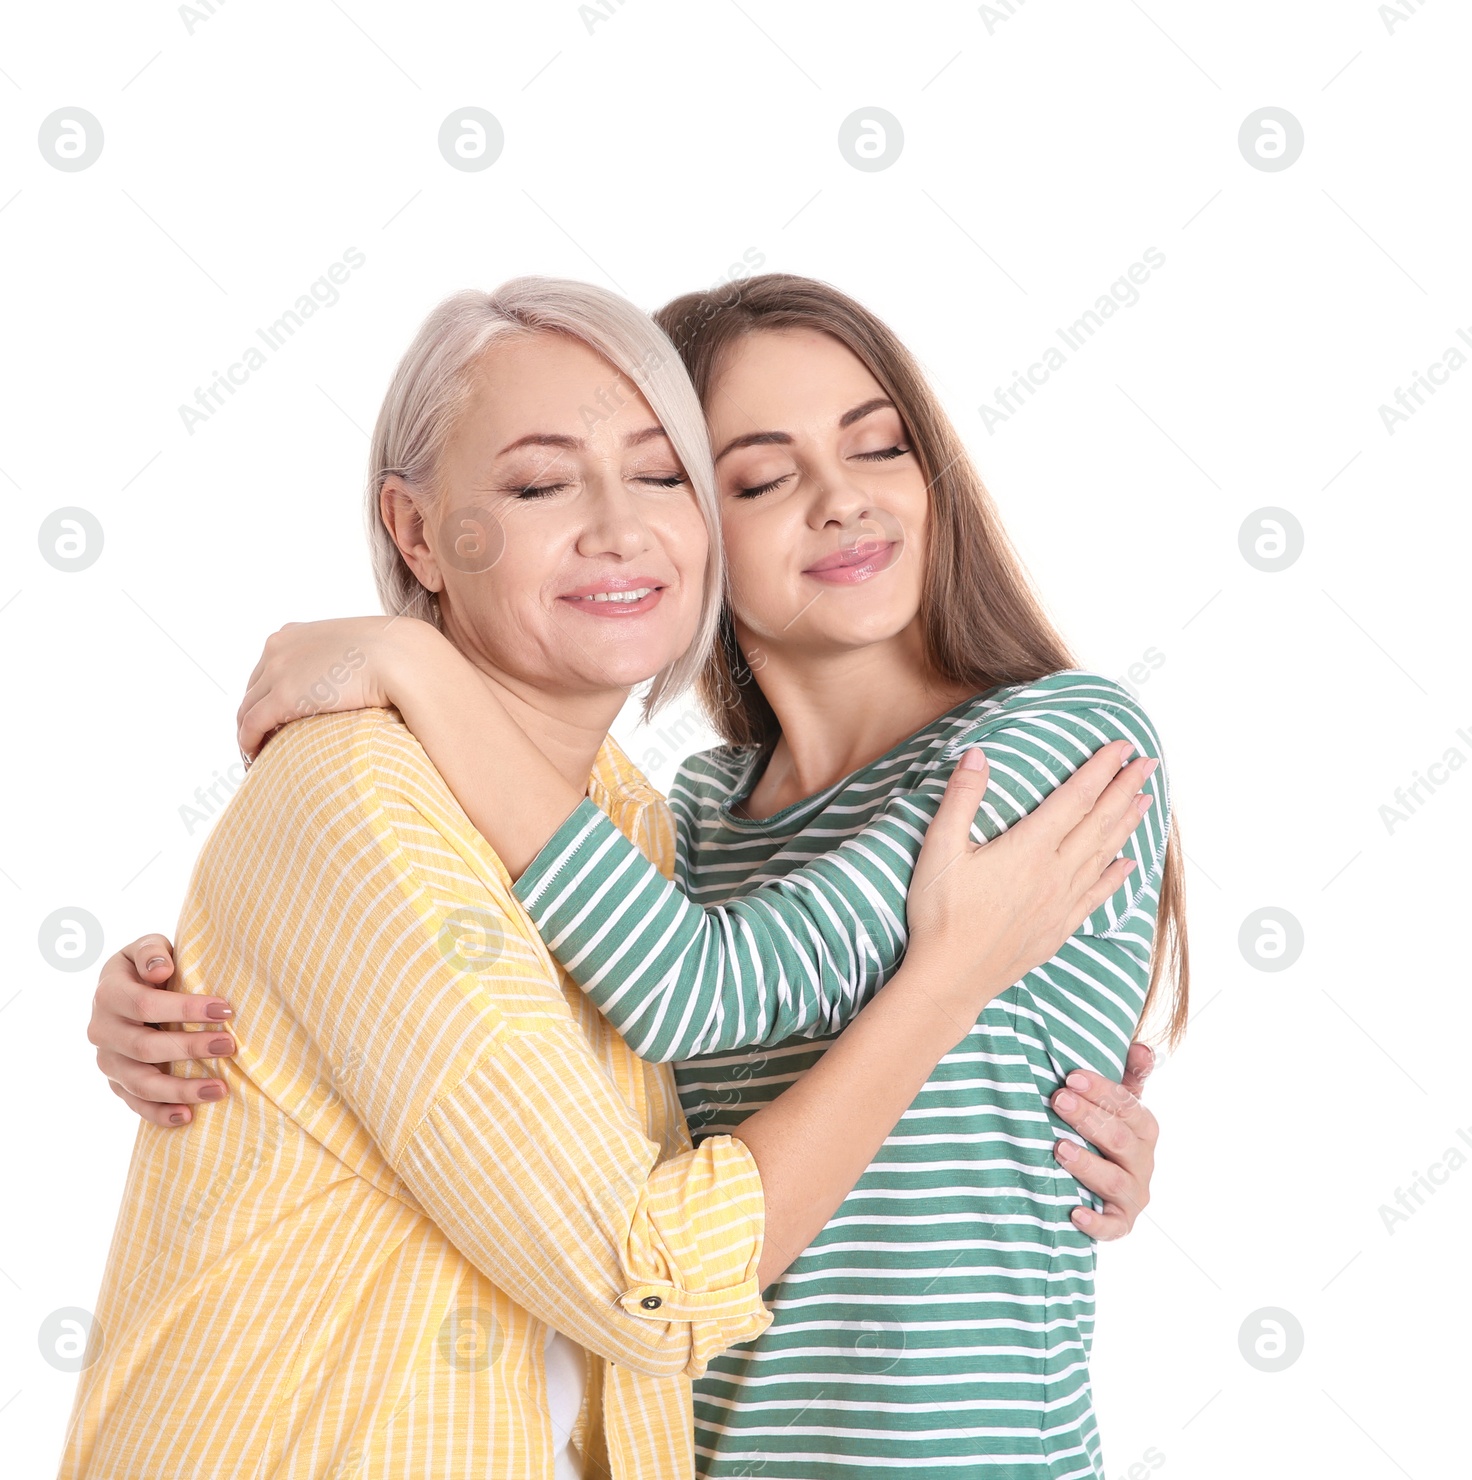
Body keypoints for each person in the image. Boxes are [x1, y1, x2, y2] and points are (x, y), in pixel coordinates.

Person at [65, 278, 1157, 1480]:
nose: (843, 500)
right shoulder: (677, 824)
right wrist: (206, 991)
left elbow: (690, 1001)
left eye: (881, 446)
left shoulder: (1051, 741)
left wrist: (408, 659)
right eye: (756, 476)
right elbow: (612, 1073)